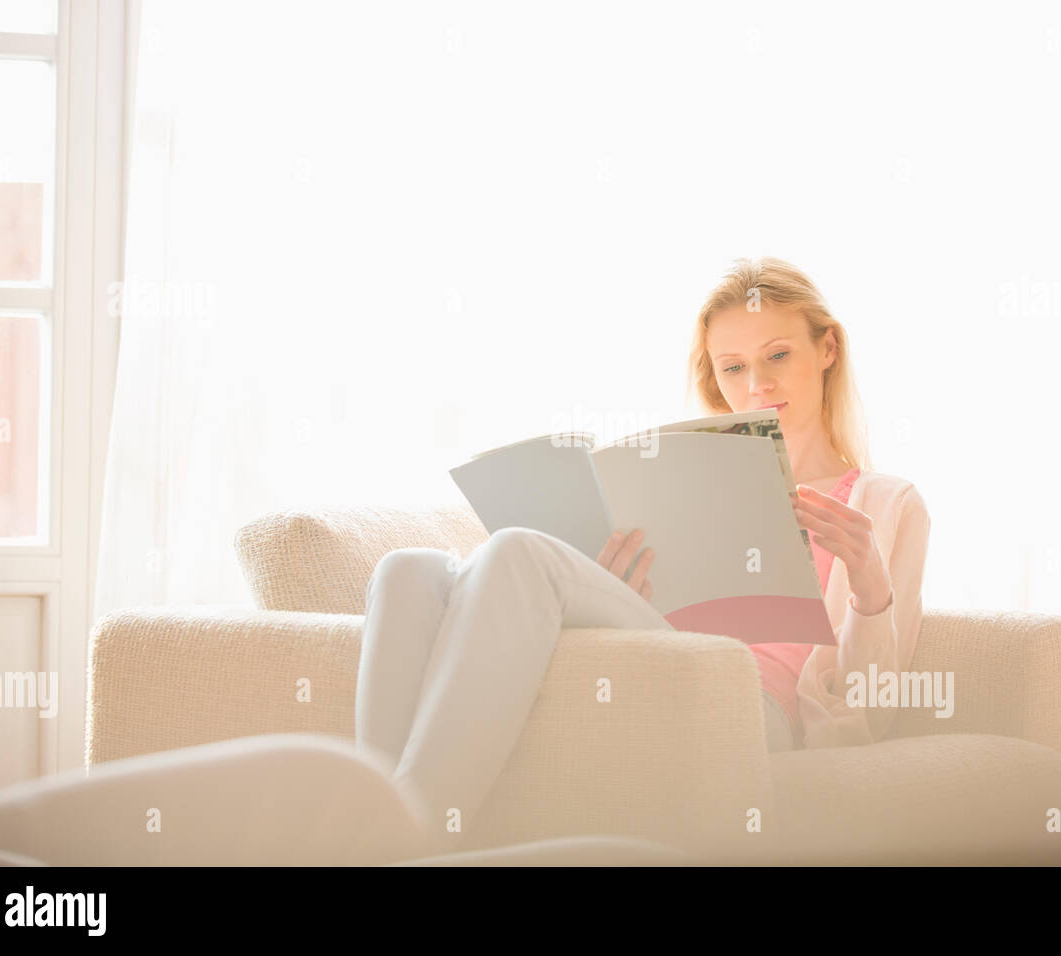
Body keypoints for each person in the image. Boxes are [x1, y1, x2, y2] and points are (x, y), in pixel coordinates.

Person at [355, 255, 931, 850]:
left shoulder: (885, 504)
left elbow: (871, 711)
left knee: (520, 553)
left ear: (827, 348)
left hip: (747, 700)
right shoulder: (686, 479)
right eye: (733, 367)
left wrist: (868, 584)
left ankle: (397, 835)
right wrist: (609, 589)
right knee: (407, 569)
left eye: (778, 355)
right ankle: (375, 811)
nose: (757, 384)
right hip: (652, 649)